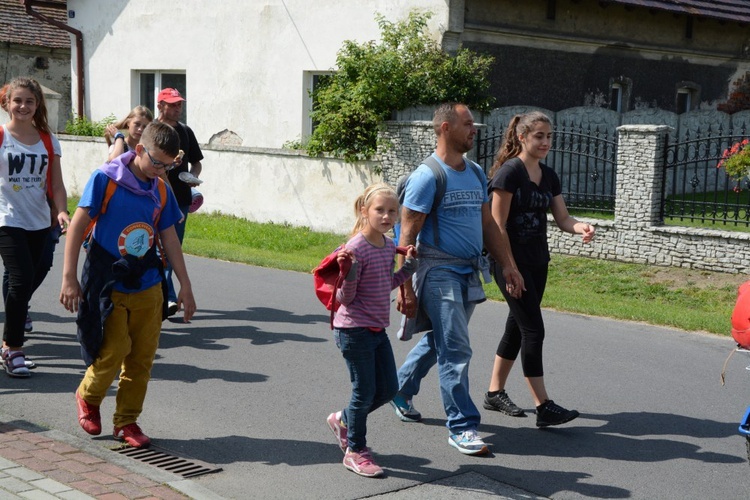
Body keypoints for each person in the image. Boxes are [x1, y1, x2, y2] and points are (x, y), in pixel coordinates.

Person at [389, 102, 524, 456]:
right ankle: (462, 426)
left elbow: (489, 225)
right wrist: (404, 287)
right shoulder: (427, 176)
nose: (474, 129)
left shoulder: (477, 172)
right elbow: (406, 239)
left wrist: (507, 263)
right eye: (467, 124)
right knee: (456, 348)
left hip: (468, 270)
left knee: (442, 341)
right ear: (446, 128)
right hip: (437, 270)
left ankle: (399, 389)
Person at [60, 121, 196, 448]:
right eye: (156, 162)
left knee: (142, 358)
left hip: (147, 281)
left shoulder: (161, 190)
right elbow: (78, 228)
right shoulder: (106, 179)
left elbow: (169, 239)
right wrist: (68, 277)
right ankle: (89, 397)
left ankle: (127, 421)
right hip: (108, 281)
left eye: (168, 164)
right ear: (139, 150)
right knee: (115, 348)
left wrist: (185, 285)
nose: (161, 170)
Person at [483, 111, 595, 427]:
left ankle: (494, 393)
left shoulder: (548, 176)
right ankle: (543, 405)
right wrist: (508, 268)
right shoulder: (509, 174)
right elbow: (497, 224)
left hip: (537, 261)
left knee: (518, 327)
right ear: (522, 137)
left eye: (549, 136)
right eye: (539, 136)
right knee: (534, 329)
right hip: (509, 263)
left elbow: (563, 218)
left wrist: (581, 227)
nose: (546, 142)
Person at [325, 183, 418, 478]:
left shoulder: (389, 245)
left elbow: (383, 284)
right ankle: (356, 451)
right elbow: (344, 298)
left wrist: (408, 270)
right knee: (364, 392)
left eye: (393, 211)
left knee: (389, 389)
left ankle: (344, 419)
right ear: (365, 211)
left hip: (376, 329)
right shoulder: (355, 248)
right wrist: (349, 273)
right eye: (380, 210)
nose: (387, 216)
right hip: (353, 330)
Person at [0, 77, 70, 377]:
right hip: (7, 218)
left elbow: (56, 183)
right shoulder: (2, 136)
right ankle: (13, 348)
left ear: (37, 104)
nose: (23, 106)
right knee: (21, 278)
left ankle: (11, 335)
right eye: (18, 100)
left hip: (40, 220)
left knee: (34, 274)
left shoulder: (47, 139)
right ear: (7, 103)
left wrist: (63, 211)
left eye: (29, 101)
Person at [156, 88, 203, 317]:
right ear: (160, 106)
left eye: (179, 104)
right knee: (158, 251)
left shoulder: (185, 131)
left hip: (180, 200)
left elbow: (197, 162)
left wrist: (193, 176)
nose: (177, 108)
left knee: (170, 250)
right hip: (154, 198)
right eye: (172, 104)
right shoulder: (152, 131)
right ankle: (167, 297)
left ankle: (168, 298)